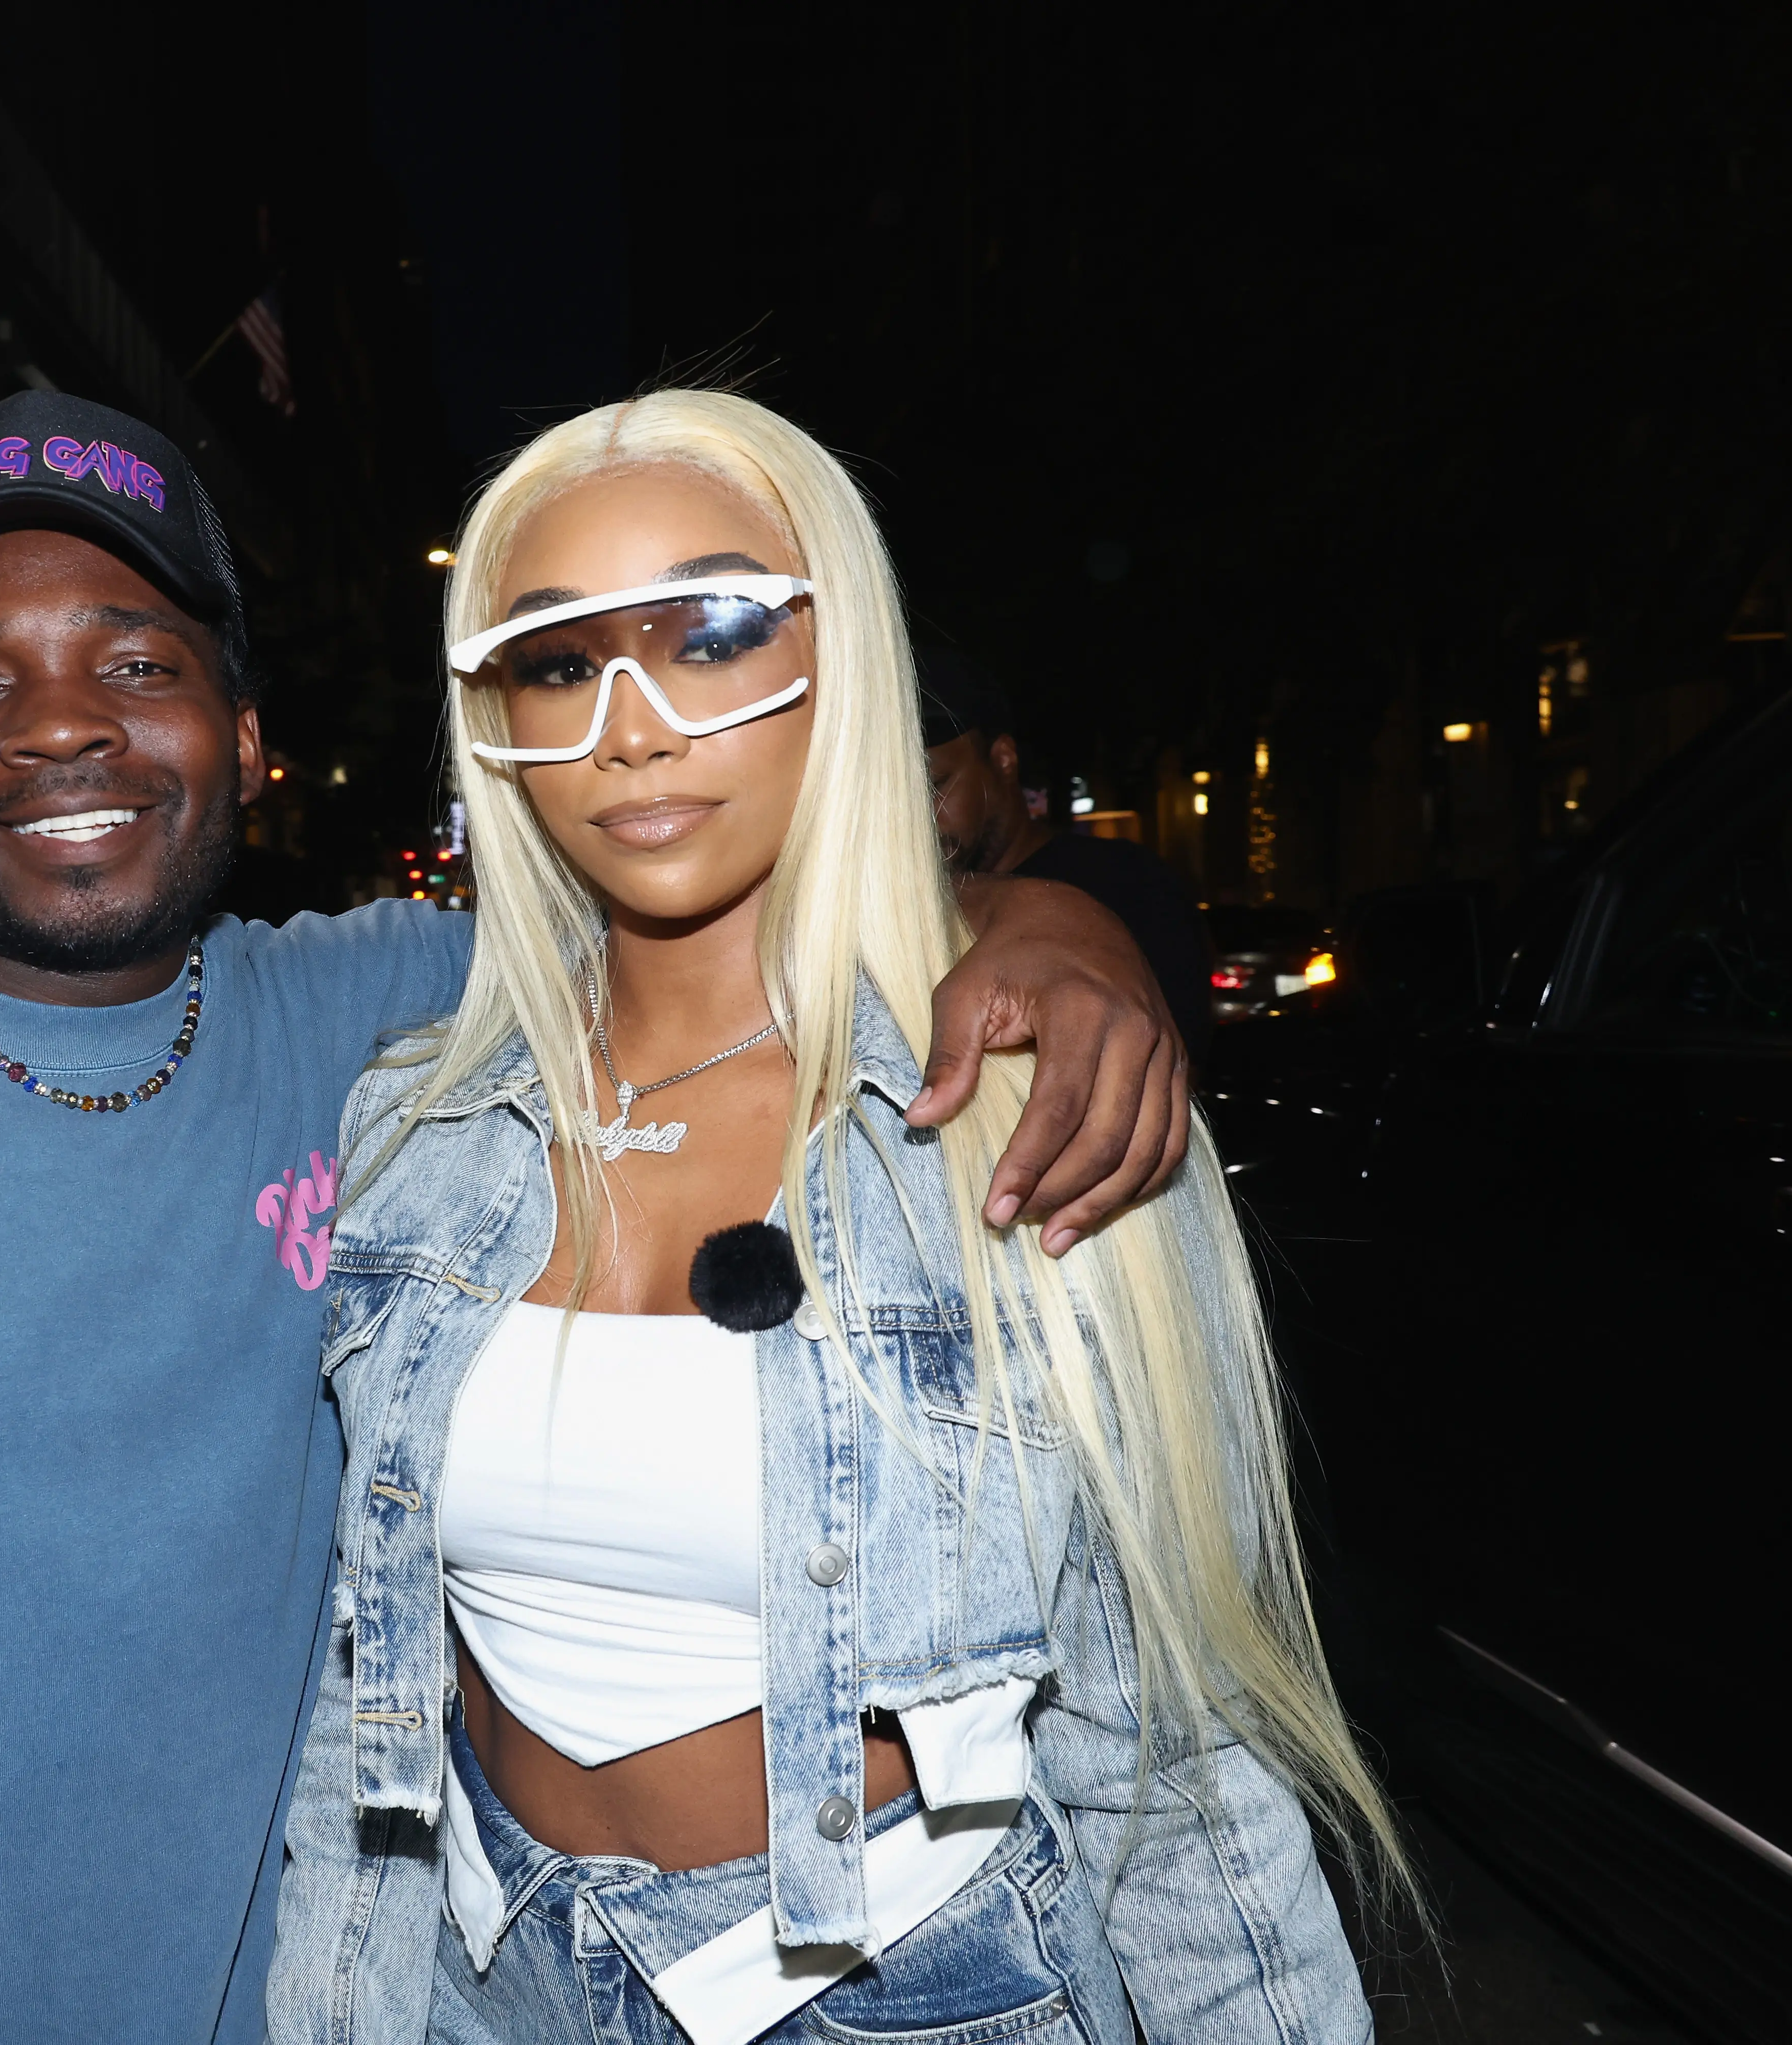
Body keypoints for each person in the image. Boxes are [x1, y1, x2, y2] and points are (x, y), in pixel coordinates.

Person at [0, 392, 1190, 2044]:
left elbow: (754, 949)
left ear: (248, 736)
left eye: (134, 661)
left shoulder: (386, 1040)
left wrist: (1056, 936)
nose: (59, 728)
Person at [268, 392, 1403, 2045]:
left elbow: (1172, 1763)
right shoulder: (412, 1126)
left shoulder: (1021, 1114)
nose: (633, 725)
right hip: (479, 1971)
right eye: (562, 660)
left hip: (893, 1989)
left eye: (716, 632)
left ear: (844, 661)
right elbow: (362, 1687)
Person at [921, 645, 1216, 1054]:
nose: (914, 815)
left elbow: (1175, 1078)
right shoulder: (898, 902)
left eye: (934, 785)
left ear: (1003, 760)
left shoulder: (1130, 887)